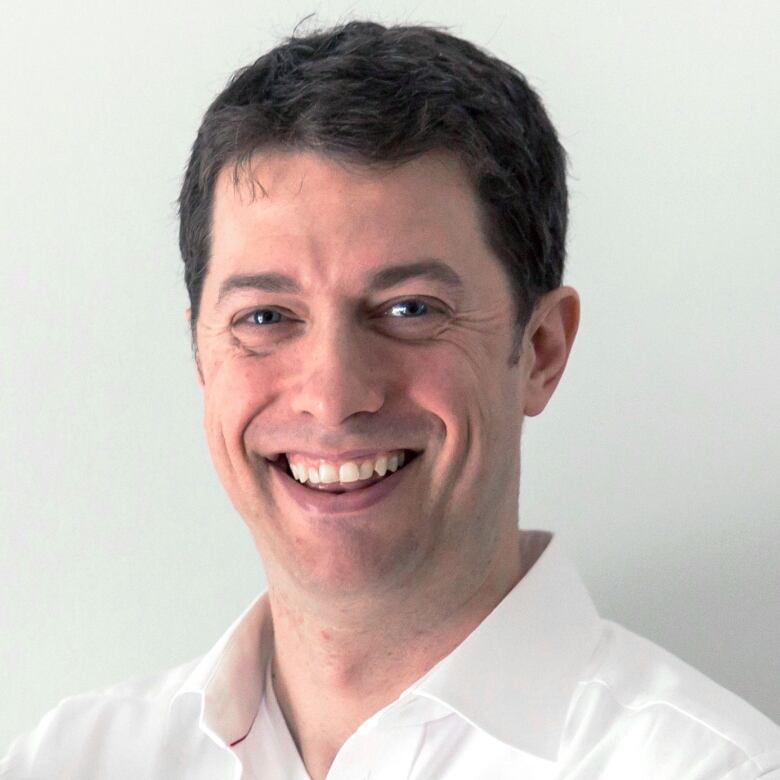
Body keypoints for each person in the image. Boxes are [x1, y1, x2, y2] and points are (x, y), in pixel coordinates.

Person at [2, 20, 778, 780]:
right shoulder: (70, 761)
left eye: (409, 309)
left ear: (540, 351)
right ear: (202, 355)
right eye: (265, 318)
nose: (333, 395)